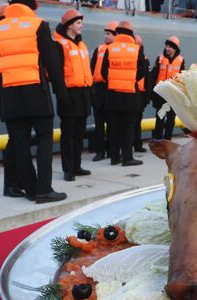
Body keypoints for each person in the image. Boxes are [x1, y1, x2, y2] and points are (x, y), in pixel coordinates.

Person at [0, 0, 67, 204]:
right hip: (36, 94)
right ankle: (44, 190)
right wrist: (61, 93)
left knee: (20, 143)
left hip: (10, 95)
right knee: (44, 140)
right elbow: (52, 62)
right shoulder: (38, 24)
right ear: (33, 7)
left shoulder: (0, 29)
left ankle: (31, 190)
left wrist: (5, 91)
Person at [0, 3, 26, 198]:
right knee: (15, 138)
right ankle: (11, 184)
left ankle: (16, 182)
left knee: (18, 138)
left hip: (9, 93)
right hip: (7, 94)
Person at [101, 20, 147, 166]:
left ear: (118, 32)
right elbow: (143, 71)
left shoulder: (110, 48)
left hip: (112, 95)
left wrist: (114, 80)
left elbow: (103, 71)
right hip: (130, 95)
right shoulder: (136, 49)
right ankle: (127, 157)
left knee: (113, 127)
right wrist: (131, 79)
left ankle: (114, 157)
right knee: (128, 128)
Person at [54, 9, 93, 182]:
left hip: (83, 94)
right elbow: (56, 72)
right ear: (69, 25)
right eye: (78, 23)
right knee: (68, 134)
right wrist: (62, 94)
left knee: (79, 134)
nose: (81, 25)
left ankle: (76, 166)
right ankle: (68, 169)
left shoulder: (81, 45)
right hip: (69, 94)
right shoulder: (60, 44)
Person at [90, 21, 117, 162]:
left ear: (116, 36)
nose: (105, 36)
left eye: (108, 34)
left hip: (111, 89)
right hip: (99, 89)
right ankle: (100, 151)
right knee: (99, 123)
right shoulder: (99, 50)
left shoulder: (118, 51)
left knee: (112, 123)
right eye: (105, 33)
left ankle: (112, 151)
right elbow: (91, 69)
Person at [151, 35, 185, 141]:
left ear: (175, 49)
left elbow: (182, 78)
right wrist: (152, 92)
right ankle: (158, 140)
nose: (168, 49)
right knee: (160, 118)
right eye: (167, 46)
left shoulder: (181, 60)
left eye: (170, 47)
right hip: (161, 93)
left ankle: (167, 139)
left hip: (173, 94)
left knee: (171, 119)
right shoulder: (160, 59)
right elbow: (153, 75)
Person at [133, 34, 149, 152]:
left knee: (137, 121)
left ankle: (137, 144)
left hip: (140, 94)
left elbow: (148, 79)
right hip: (132, 92)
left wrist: (146, 97)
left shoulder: (144, 60)